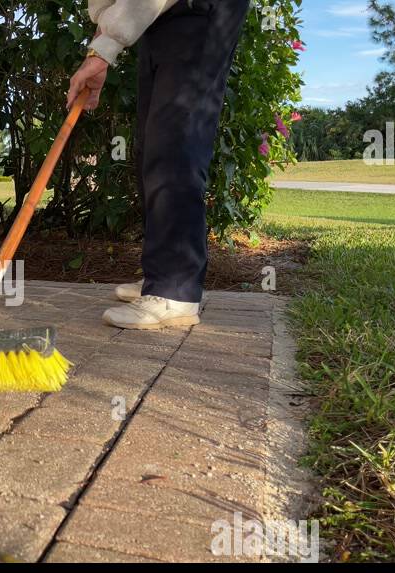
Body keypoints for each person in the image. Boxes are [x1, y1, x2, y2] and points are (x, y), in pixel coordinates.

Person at [66, 0, 251, 329]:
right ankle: (161, 274)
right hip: (159, 16)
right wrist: (99, 52)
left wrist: (104, 49)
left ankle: (175, 289)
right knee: (152, 146)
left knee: (175, 142)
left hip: (199, 12)